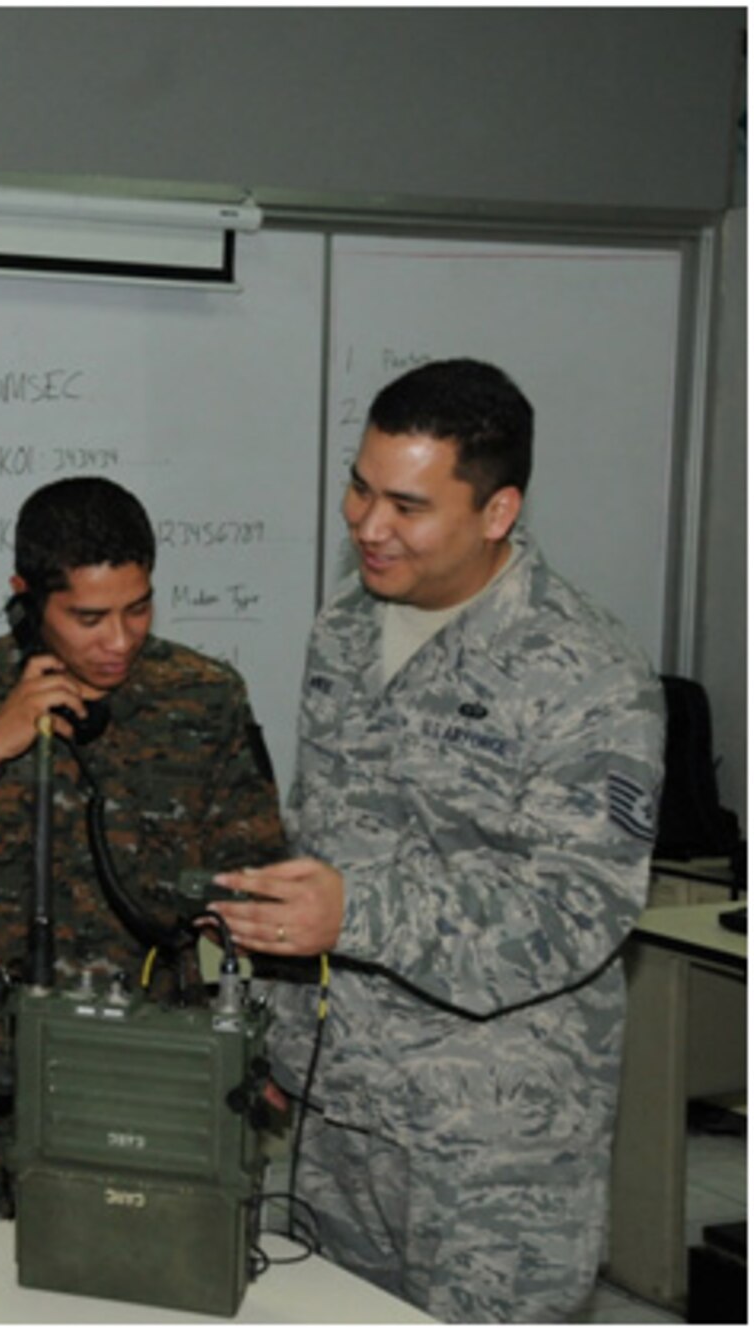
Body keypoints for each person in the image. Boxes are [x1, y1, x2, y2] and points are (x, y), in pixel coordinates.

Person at [209, 359, 666, 1322]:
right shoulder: (343, 629)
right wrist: (285, 1051)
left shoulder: (587, 670)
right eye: (361, 487)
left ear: (497, 511)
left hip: (494, 1143)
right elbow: (324, 833)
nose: (368, 525)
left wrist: (355, 911)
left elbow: (578, 908)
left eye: (408, 505)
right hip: (344, 1114)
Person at [0, 476, 286, 1226]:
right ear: (25, 597)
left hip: (156, 1070)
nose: (119, 639)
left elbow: (259, 881)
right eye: (89, 616)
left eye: (138, 607)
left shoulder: (202, 696)